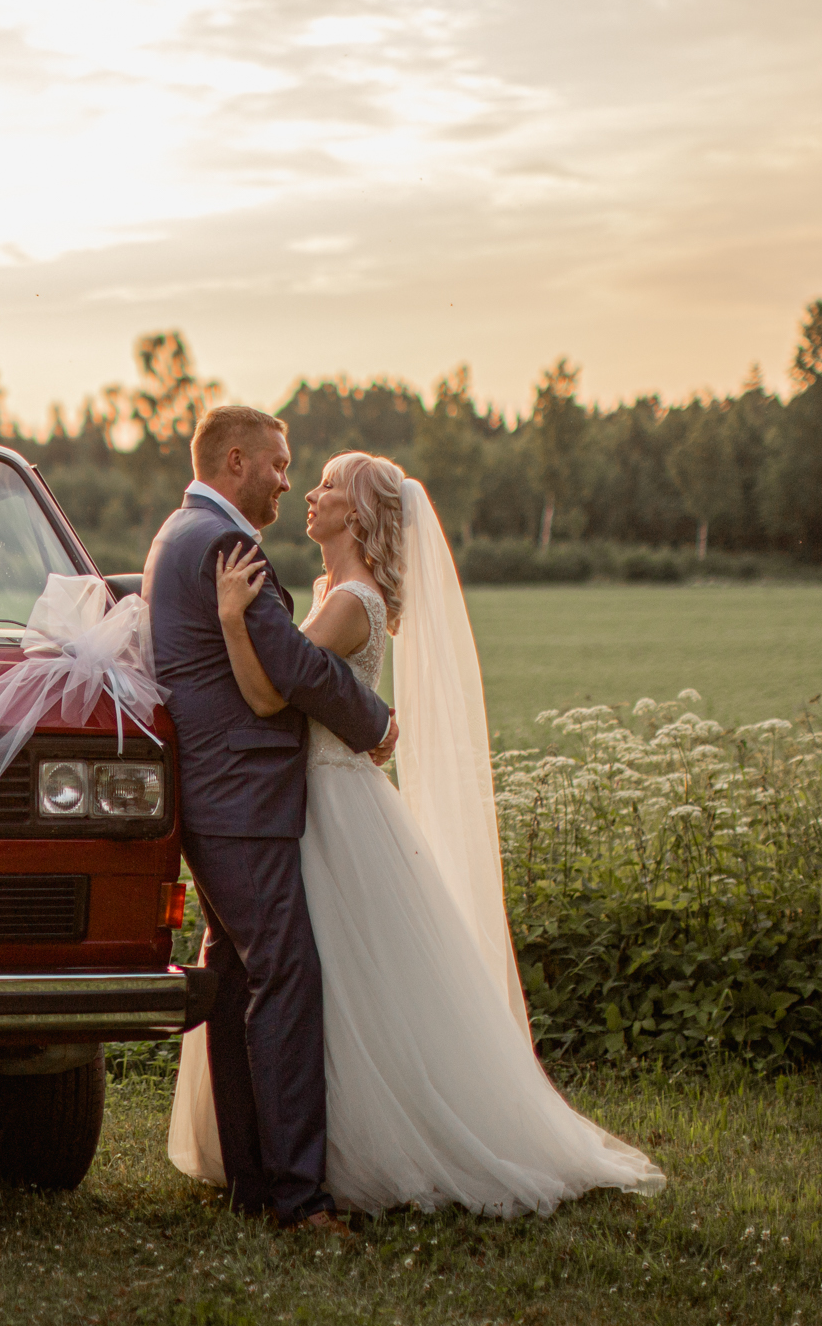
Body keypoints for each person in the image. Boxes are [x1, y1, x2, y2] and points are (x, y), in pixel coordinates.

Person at [168, 450, 666, 1217]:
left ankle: (347, 1150)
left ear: (357, 516)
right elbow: (285, 688)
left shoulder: (347, 603)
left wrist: (235, 620)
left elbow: (274, 691)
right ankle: (296, 1155)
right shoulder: (336, 592)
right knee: (330, 976)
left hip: (333, 801)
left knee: (334, 978)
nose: (311, 493)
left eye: (327, 486)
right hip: (316, 797)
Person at [142, 408, 396, 1234]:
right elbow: (287, 663)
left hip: (219, 797)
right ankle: (296, 1200)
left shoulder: (180, 533)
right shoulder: (224, 544)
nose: (289, 481)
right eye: (280, 465)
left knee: (239, 978)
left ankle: (255, 1183)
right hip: (242, 801)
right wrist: (376, 722)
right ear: (237, 459)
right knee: (286, 977)